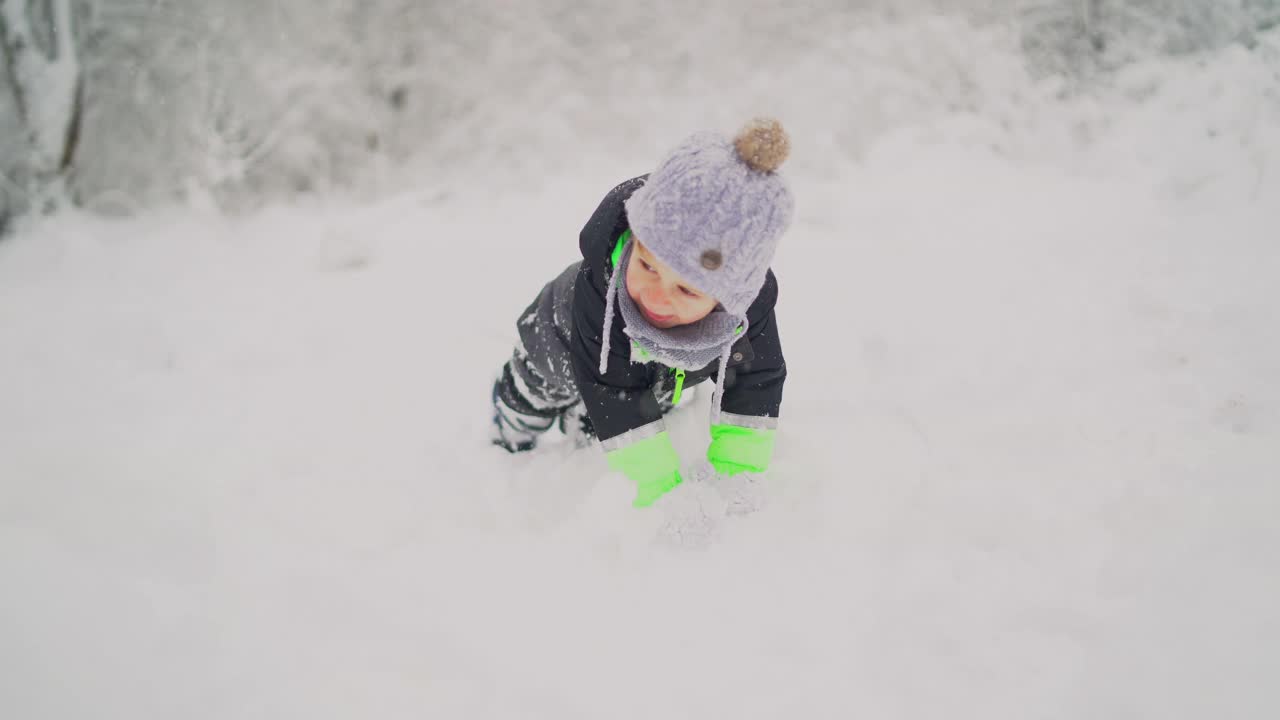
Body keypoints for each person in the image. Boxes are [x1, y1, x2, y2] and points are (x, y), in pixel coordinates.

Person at [490, 118, 794, 508]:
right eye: (647, 265)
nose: (656, 297)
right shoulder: (601, 294)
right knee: (531, 395)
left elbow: (756, 386)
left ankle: (581, 429)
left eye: (686, 288)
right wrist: (662, 497)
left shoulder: (745, 314)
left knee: (637, 406)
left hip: (652, 370)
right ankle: (508, 438)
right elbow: (612, 394)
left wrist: (735, 480)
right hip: (555, 343)